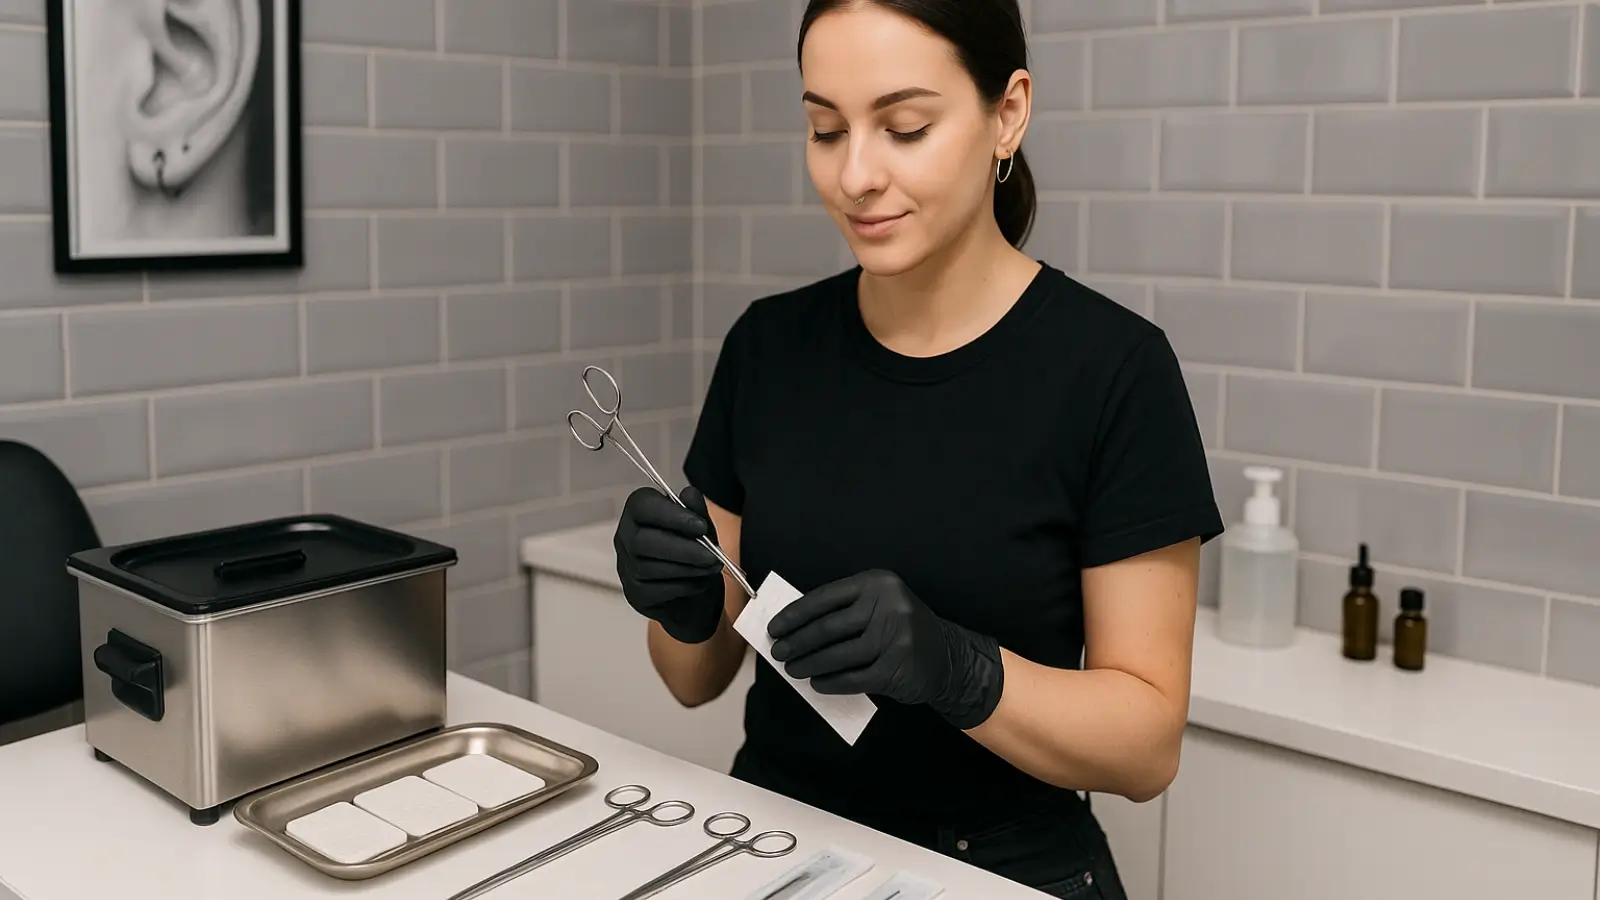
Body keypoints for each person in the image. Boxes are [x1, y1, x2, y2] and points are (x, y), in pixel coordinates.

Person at [610, 1, 1224, 896]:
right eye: (826, 128)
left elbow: (1147, 748)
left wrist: (957, 669)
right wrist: (684, 604)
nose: (855, 174)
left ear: (1007, 112)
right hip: (779, 849)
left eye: (905, 127)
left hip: (996, 870)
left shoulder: (1113, 371)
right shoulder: (767, 348)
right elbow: (694, 680)